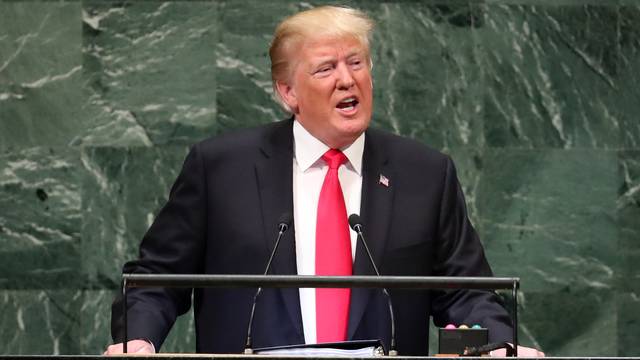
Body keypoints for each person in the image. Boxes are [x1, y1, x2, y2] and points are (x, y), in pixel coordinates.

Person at [105, 6, 543, 357]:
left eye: (356, 63)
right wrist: (139, 341)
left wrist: (493, 346)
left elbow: (467, 294)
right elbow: (157, 279)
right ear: (288, 92)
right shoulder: (221, 168)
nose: (347, 79)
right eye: (325, 69)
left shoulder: (424, 173)